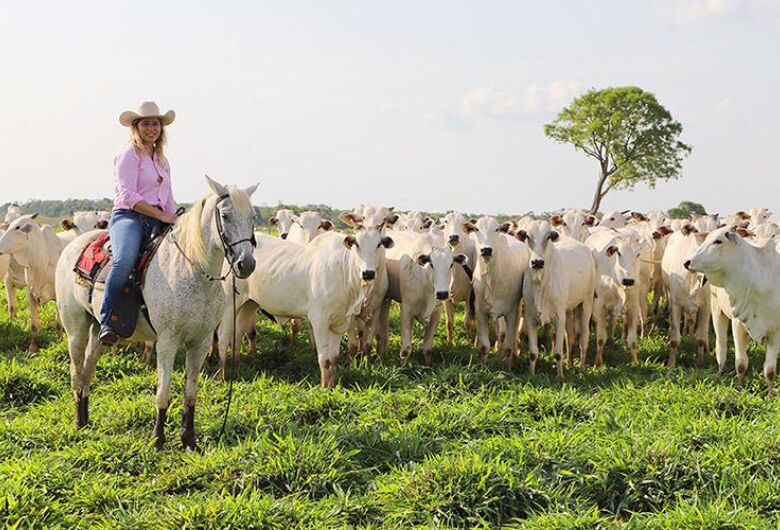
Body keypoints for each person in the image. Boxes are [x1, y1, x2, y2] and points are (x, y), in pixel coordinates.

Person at [99, 101, 179, 345]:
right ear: (136, 127)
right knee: (124, 262)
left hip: (157, 216)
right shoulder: (128, 154)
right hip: (129, 217)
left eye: (156, 124)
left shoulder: (162, 160)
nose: (151, 128)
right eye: (146, 124)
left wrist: (175, 218)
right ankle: (107, 319)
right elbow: (128, 195)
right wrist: (161, 216)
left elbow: (167, 197)